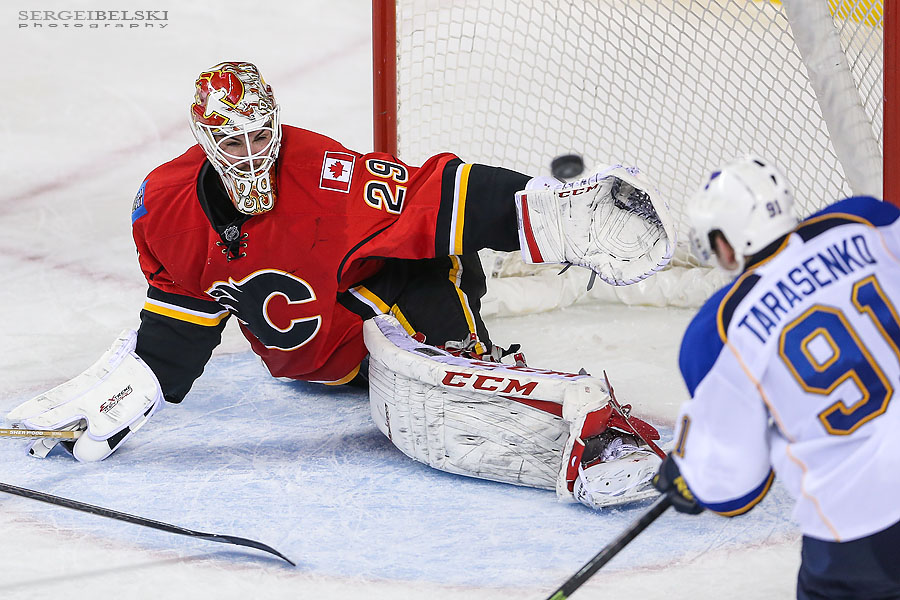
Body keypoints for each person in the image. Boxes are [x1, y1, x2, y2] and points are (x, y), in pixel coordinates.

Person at [8, 61, 675, 509]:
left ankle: (485, 377)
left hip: (370, 306)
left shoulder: (323, 172)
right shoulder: (164, 205)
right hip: (320, 362)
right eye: (231, 142)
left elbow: (431, 198)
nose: (251, 154)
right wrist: (132, 392)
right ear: (203, 140)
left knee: (429, 258)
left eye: (261, 135)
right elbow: (184, 319)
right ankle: (477, 393)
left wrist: (542, 211)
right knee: (410, 318)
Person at [653, 155, 900, 598]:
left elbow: (736, 489)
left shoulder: (718, 332)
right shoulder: (868, 221)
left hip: (861, 530)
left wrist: (693, 473)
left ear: (726, 244)